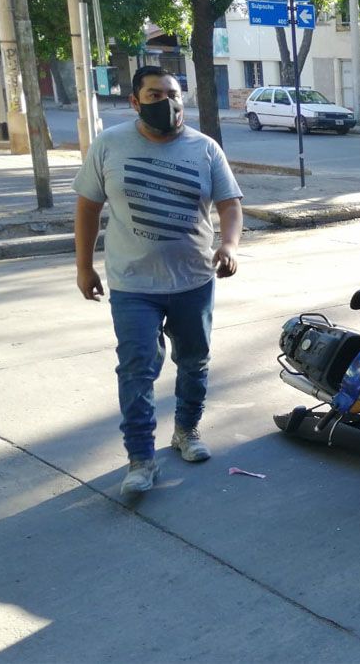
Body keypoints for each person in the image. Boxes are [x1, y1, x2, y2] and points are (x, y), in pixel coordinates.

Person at [73, 66, 244, 496]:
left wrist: (229, 245)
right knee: (136, 369)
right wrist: (83, 266)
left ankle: (186, 431)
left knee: (194, 361)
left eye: (172, 94)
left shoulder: (205, 148)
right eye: (153, 94)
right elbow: (88, 208)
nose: (165, 102)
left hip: (193, 280)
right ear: (134, 101)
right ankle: (141, 458)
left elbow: (230, 204)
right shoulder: (109, 145)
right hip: (133, 284)